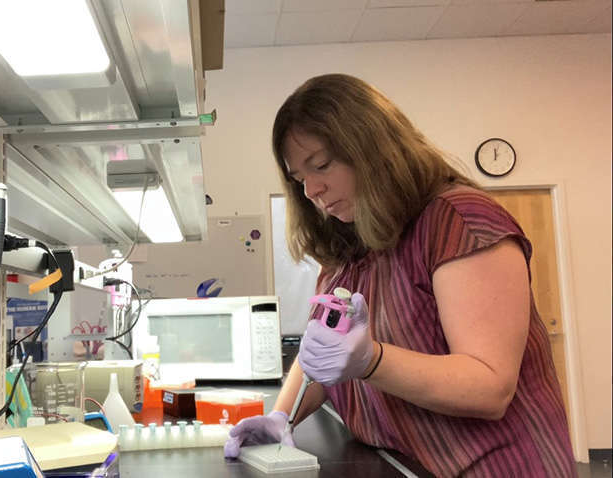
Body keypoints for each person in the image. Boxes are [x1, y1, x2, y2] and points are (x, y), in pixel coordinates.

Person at [224, 74, 576, 477]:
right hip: (409, 464)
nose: (312, 191)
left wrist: (372, 360)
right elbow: (323, 353)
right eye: (299, 178)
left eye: (321, 165)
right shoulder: (346, 245)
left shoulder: (460, 221)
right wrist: (281, 417)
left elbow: (489, 386)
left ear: (372, 146)